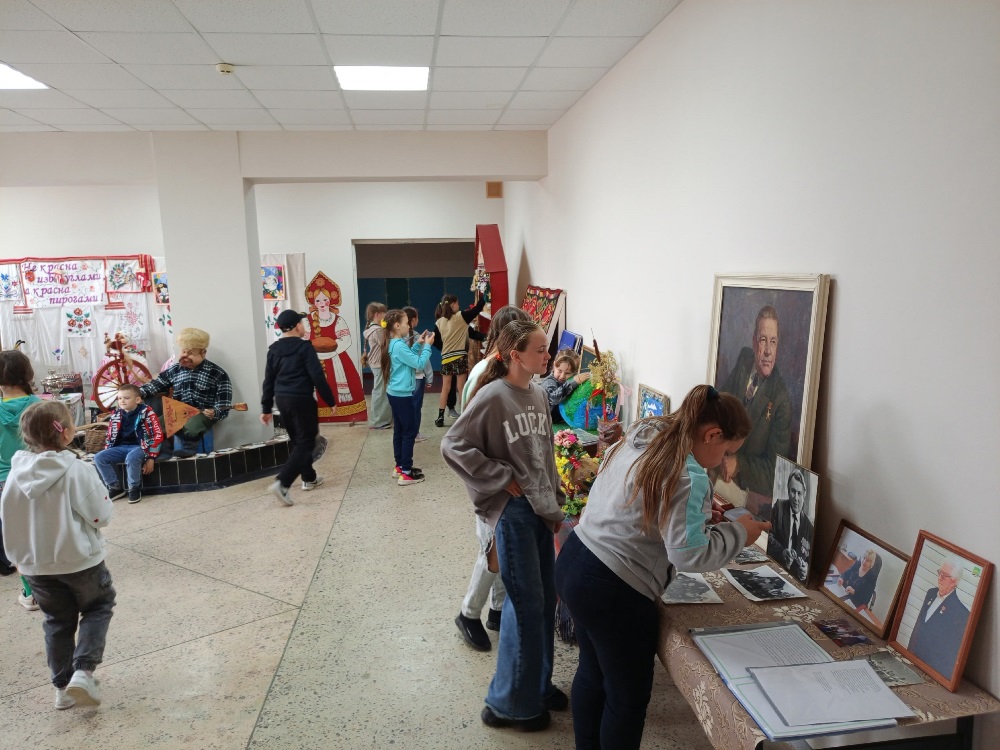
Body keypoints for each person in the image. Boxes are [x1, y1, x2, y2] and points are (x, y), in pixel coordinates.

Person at [554, 385, 770, 750]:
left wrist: (698, 517)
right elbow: (689, 556)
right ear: (712, 434)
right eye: (727, 452)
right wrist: (740, 534)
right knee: (627, 697)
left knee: (593, 672)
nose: (723, 462)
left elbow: (649, 504)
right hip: (612, 589)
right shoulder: (688, 473)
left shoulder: (649, 435)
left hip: (576, 558)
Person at [441, 319, 567, 733]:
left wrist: (553, 501)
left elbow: (543, 452)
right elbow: (453, 444)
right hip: (512, 512)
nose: (548, 356)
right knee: (525, 605)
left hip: (539, 510)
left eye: (547, 349)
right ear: (516, 355)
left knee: (544, 602)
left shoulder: (539, 393)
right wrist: (499, 476)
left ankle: (537, 685)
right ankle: (508, 704)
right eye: (540, 350)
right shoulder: (494, 395)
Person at [0, 400, 115, 710]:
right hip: (80, 561)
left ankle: (62, 689)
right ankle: (83, 672)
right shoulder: (76, 469)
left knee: (57, 622)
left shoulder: (14, 475)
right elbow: (101, 515)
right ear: (66, 433)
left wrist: (19, 559)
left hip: (36, 566)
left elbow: (7, 520)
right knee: (99, 606)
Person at [453, 305, 531, 652]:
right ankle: (468, 613)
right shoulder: (487, 375)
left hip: (507, 476)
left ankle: (497, 610)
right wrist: (496, 476)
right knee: (492, 549)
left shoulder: (511, 372)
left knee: (504, 544)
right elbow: (465, 440)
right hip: (491, 478)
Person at [261, 309, 337, 506]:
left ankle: (309, 478)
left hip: (282, 400)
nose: (304, 326)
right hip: (302, 399)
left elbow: (268, 381)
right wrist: (330, 401)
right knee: (307, 442)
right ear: (296, 327)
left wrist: (266, 408)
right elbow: (317, 376)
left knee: (298, 441)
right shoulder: (305, 348)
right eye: (302, 323)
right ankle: (282, 483)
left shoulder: (274, 350)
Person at [719, 305, 792, 495]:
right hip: (716, 465)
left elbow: (776, 473)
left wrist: (740, 464)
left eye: (773, 342)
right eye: (763, 340)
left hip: (743, 491)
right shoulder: (744, 359)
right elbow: (720, 404)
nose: (768, 351)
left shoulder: (781, 401)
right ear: (753, 342)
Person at [140, 327, 232, 458]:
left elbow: (224, 404)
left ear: (203, 353)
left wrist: (215, 412)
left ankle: (189, 449)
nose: (185, 356)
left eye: (190, 353)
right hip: (178, 412)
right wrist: (139, 393)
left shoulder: (217, 373)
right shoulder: (175, 369)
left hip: (201, 414)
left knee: (193, 425)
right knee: (152, 426)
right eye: (183, 351)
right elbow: (157, 384)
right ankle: (164, 451)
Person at [0, 350, 42, 610]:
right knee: (42, 531)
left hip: (4, 481)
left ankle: (31, 592)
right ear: (27, 373)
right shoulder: (39, 405)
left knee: (16, 539)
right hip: (39, 477)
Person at [306, 272, 368, 423]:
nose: (322, 303)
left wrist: (330, 351)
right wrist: (317, 352)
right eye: (318, 300)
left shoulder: (338, 320)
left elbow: (346, 340)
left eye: (325, 299)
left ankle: (346, 414)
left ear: (330, 301)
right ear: (314, 302)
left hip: (337, 360)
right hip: (315, 361)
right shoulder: (307, 321)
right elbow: (304, 341)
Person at [381, 309, 433, 486]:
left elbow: (407, 358)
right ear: (397, 325)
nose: (408, 326)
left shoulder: (394, 343)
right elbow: (418, 363)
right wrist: (427, 346)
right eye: (405, 323)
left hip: (395, 392)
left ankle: (400, 466)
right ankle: (407, 473)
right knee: (409, 431)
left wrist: (418, 344)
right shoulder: (399, 345)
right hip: (402, 394)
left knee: (400, 430)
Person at [93, 384, 164, 504]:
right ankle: (114, 487)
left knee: (132, 457)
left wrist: (151, 457)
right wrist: (108, 450)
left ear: (137, 400)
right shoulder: (116, 415)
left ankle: (134, 488)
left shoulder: (147, 412)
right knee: (99, 457)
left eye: (126, 398)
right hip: (121, 447)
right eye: (119, 398)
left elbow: (157, 435)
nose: (122, 401)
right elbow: (110, 436)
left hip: (141, 447)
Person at [906, 557, 970, 679]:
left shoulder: (961, 613)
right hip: (912, 659)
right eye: (940, 572)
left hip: (930, 671)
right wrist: (908, 653)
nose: (940, 577)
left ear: (954, 581)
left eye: (945, 575)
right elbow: (918, 627)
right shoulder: (930, 593)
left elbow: (949, 652)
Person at [433, 293, 485, 427]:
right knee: (461, 387)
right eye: (457, 303)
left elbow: (435, 340)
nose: (459, 305)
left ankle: (440, 417)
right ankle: (465, 415)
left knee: (445, 388)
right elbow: (477, 310)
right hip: (460, 357)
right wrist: (483, 297)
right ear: (452, 305)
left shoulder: (439, 322)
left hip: (445, 358)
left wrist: (444, 348)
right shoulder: (461, 317)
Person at [767, 468, 813, 582]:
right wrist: (782, 552)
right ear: (788, 491)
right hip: (775, 570)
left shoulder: (810, 527)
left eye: (799, 493)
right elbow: (769, 537)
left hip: (796, 580)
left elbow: (810, 559)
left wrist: (806, 569)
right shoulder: (779, 507)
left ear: (804, 495)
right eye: (793, 491)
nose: (796, 498)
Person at [403, 306, 433, 442]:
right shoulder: (418, 337)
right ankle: (415, 433)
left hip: (403, 377)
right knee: (416, 406)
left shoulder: (398, 338)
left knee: (404, 406)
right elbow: (424, 359)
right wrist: (430, 378)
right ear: (414, 320)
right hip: (418, 377)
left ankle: (405, 432)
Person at [538, 350, 590, 422]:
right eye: (559, 371)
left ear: (575, 373)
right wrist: (573, 383)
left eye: (567, 373)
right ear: (554, 365)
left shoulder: (569, 380)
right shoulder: (549, 382)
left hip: (562, 420)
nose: (562, 376)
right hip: (544, 420)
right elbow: (554, 398)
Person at [363, 302, 391, 430]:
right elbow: (386, 344)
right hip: (380, 364)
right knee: (380, 392)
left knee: (380, 390)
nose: (386, 315)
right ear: (377, 315)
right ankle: (378, 421)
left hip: (377, 363)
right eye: (384, 313)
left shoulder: (373, 329)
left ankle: (380, 419)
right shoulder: (378, 330)